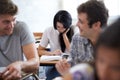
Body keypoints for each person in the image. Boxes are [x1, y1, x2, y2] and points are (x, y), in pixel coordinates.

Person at [56, 0, 109, 75]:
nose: (77, 24)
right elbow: (72, 69)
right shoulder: (77, 39)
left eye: (81, 21)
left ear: (96, 25)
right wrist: (66, 71)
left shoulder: (114, 44)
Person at [0, 0, 39, 80]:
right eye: (6, 22)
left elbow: (35, 63)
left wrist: (20, 65)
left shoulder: (21, 28)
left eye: (14, 20)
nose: (11, 25)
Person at [38, 10, 74, 80]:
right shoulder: (49, 31)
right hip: (54, 65)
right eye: (58, 27)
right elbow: (39, 51)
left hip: (70, 65)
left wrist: (64, 36)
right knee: (51, 75)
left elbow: (71, 51)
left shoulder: (75, 31)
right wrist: (52, 53)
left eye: (63, 27)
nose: (60, 30)